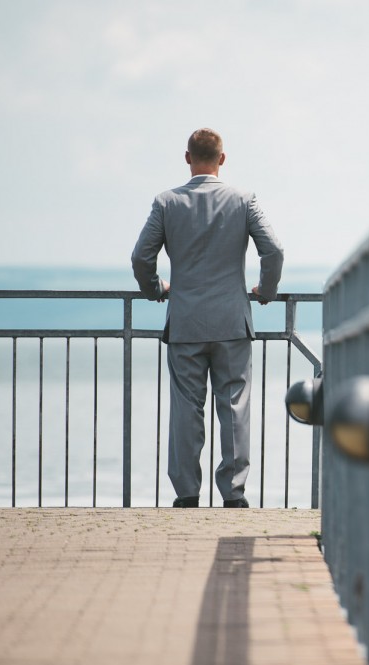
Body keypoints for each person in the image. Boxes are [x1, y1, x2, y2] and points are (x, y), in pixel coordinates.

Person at [132, 128, 283, 508]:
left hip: (185, 321)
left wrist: (156, 289)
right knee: (233, 405)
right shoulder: (243, 200)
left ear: (187, 157)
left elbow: (141, 258)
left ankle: (186, 493)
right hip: (232, 321)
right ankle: (233, 493)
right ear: (223, 158)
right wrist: (265, 291)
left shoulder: (166, 203)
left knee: (186, 407)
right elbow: (274, 250)